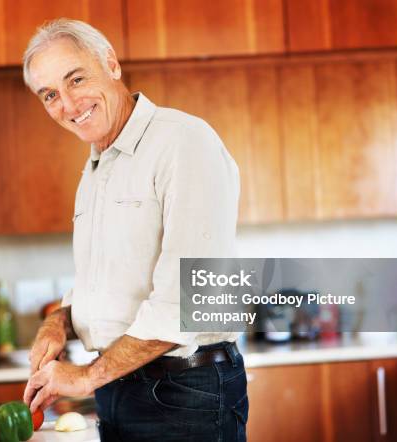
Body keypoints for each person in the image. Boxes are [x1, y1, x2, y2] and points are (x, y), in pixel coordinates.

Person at [21, 18, 247, 442]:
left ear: (110, 63)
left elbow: (189, 298)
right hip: (120, 388)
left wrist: (87, 376)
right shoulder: (97, 166)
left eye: (76, 79)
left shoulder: (182, 141)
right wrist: (58, 321)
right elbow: (105, 279)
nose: (68, 105)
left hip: (184, 392)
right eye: (50, 95)